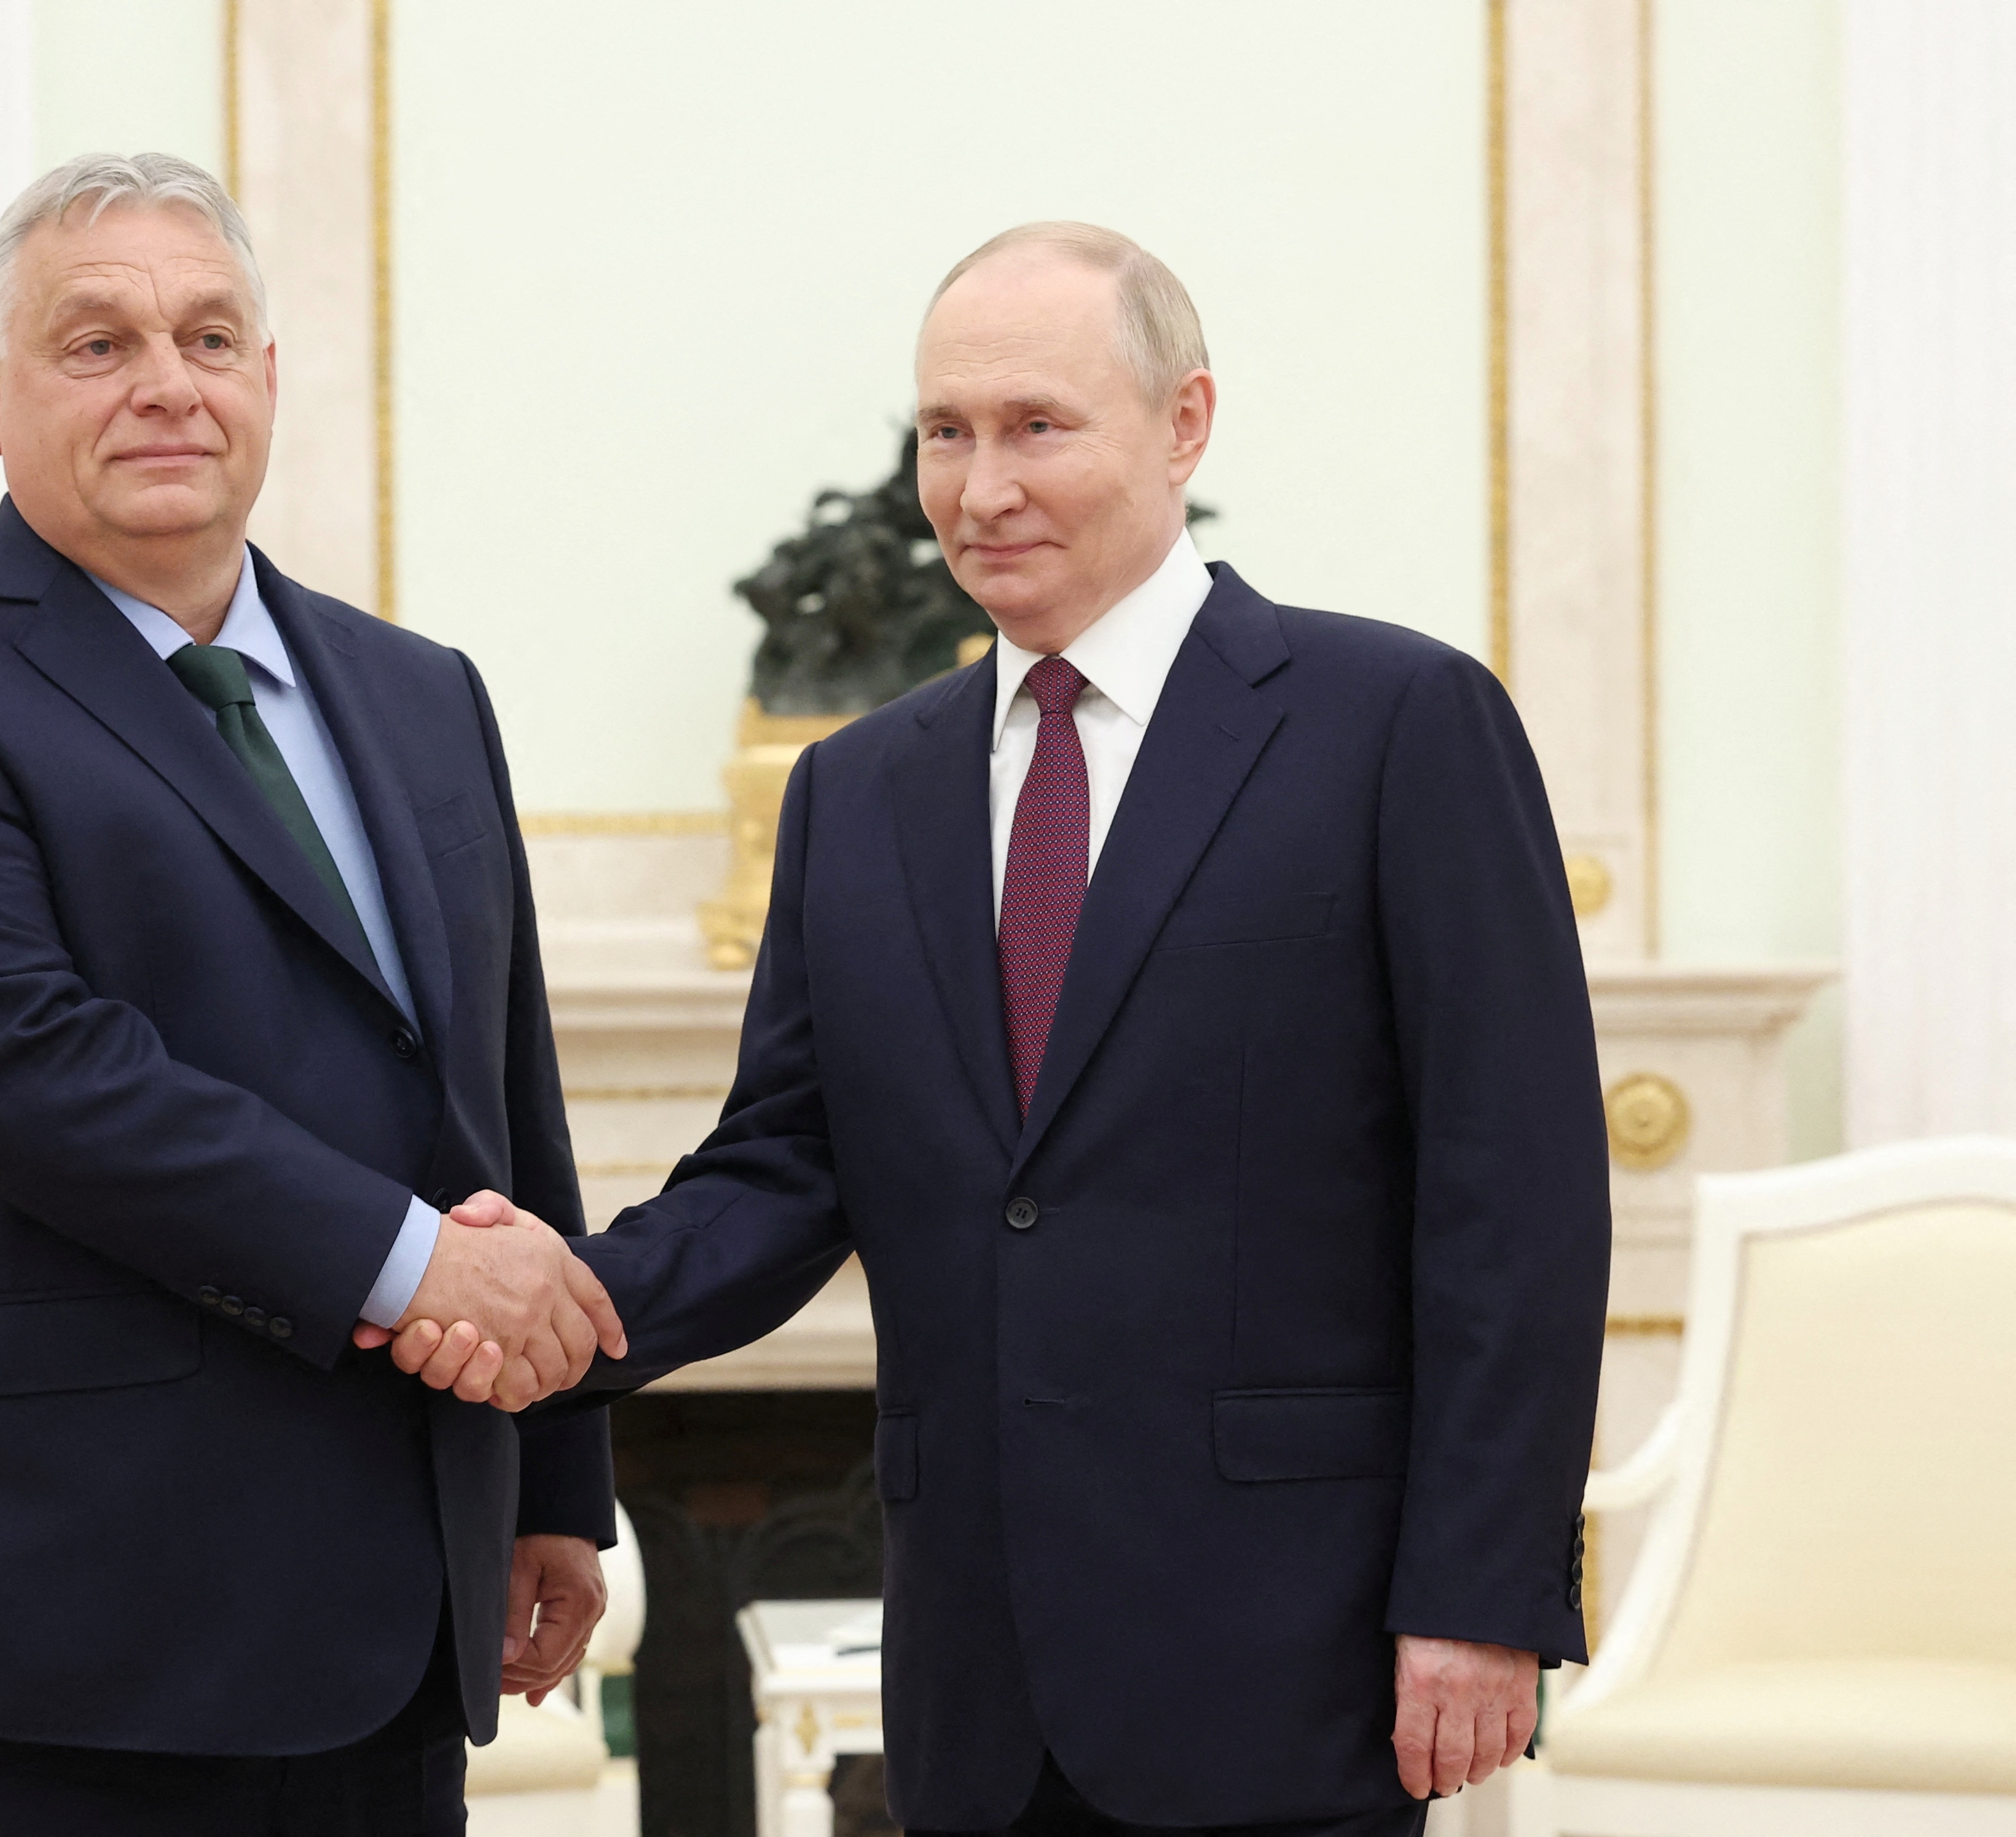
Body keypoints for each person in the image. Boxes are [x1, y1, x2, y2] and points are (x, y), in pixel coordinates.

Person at [376, 223, 1610, 1836]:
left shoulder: (1399, 726)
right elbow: (784, 1169)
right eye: (945, 433)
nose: (981, 487)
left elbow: (1516, 1198)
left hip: (1291, 1655)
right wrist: (558, 1305)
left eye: (1037, 426)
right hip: (979, 1677)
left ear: (1184, 422)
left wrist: (1481, 1591)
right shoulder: (855, 789)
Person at [0, 152, 625, 1837]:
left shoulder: (424, 693)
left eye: (210, 337)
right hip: (41, 1649)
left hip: (390, 1626)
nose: (168, 382)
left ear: (268, 378)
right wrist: (419, 1264)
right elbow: (47, 1081)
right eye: (99, 345)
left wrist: (552, 1474)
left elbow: (504, 1093)